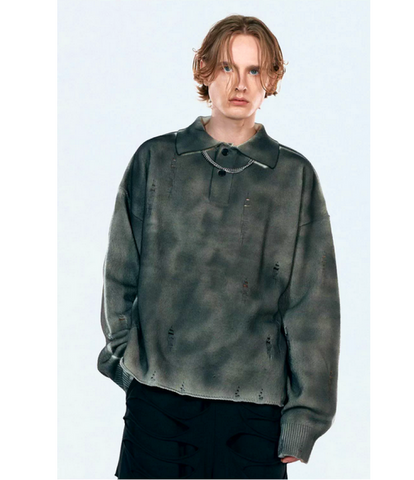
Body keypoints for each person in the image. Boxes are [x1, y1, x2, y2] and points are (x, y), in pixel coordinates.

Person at [97, 14, 341, 480]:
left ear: (271, 80)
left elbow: (314, 306)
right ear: (204, 71)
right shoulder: (155, 160)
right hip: (158, 409)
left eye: (254, 70)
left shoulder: (294, 177)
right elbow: (119, 274)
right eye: (228, 67)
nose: (240, 83)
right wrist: (130, 364)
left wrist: (305, 417)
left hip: (254, 420)